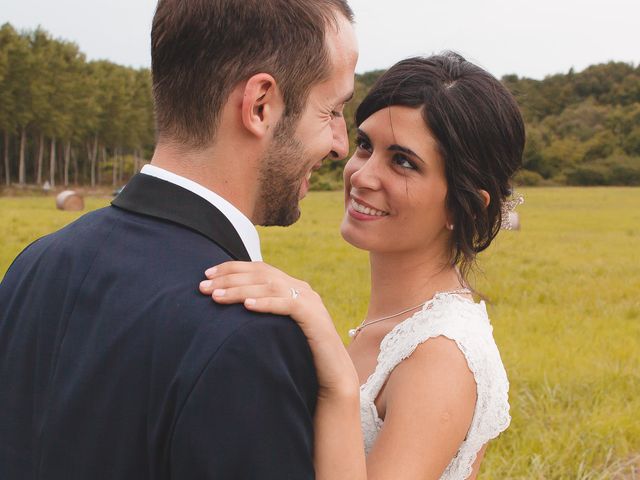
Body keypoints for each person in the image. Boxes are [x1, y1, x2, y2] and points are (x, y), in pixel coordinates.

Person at [0, 0, 357, 478]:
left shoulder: (33, 264)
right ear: (260, 105)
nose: (341, 144)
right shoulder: (249, 334)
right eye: (331, 110)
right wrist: (341, 392)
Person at [199, 53, 525, 479]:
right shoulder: (397, 328)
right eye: (367, 145)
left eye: (403, 161)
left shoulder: (441, 355)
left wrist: (333, 370)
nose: (362, 175)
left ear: (466, 209)